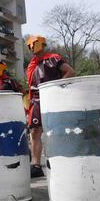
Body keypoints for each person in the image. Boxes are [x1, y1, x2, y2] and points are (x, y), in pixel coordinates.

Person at [26, 35, 76, 178]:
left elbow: (70, 72)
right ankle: (35, 165)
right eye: (30, 43)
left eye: (35, 42)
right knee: (35, 132)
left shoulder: (53, 58)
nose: (32, 45)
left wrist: (54, 87)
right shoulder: (32, 64)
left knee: (56, 131)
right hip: (36, 99)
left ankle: (61, 160)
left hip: (52, 97)